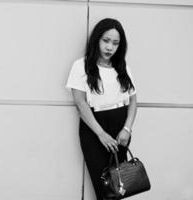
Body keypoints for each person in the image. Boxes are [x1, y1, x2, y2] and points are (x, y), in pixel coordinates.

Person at [66, 18, 137, 200]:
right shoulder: (81, 65)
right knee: (104, 189)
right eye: (106, 40)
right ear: (96, 39)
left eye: (115, 43)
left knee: (119, 187)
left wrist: (127, 129)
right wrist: (101, 134)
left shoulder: (122, 68)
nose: (110, 47)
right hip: (94, 129)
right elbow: (81, 104)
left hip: (121, 130)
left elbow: (133, 100)